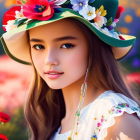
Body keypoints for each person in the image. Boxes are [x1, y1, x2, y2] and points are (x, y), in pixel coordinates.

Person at [1, 0, 140, 139]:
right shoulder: (51, 121)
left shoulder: (115, 118)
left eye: (66, 45)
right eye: (38, 46)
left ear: (94, 49)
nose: (49, 60)